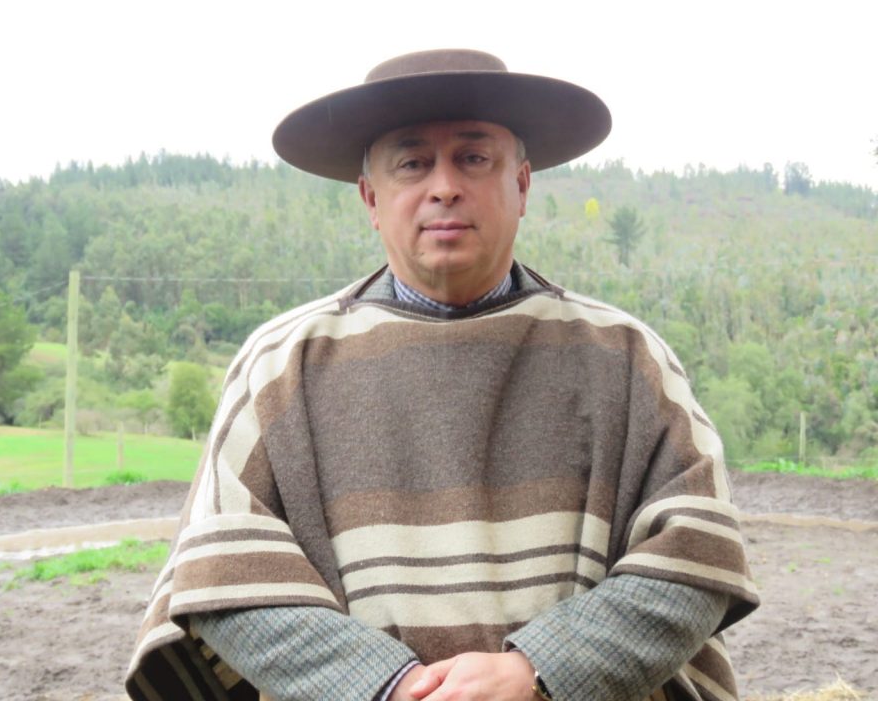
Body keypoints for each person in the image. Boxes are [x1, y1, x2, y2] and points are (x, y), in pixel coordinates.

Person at [125, 49, 758, 701]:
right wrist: (384, 686)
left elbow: (696, 553)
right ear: (371, 198)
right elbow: (224, 575)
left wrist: (539, 670)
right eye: (412, 163)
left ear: (522, 185)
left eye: (474, 158)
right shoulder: (280, 365)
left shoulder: (626, 358)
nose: (445, 186)